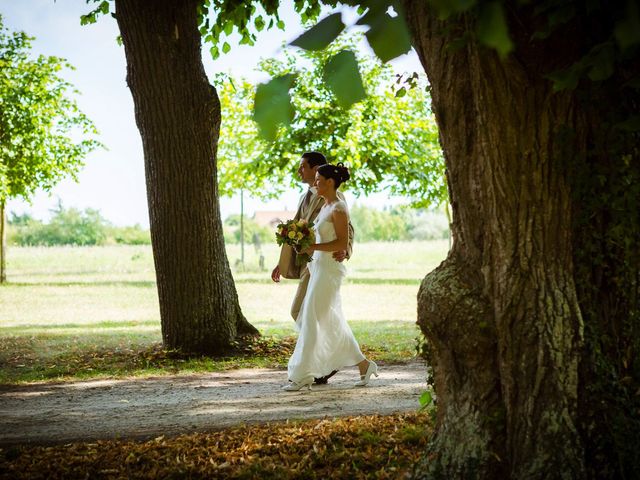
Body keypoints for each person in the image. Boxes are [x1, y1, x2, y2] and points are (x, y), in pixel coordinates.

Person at [281, 163, 378, 392]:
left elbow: (341, 243)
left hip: (329, 271)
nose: (315, 183)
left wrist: (311, 246)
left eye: (318, 179)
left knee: (312, 317)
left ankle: (302, 375)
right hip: (318, 268)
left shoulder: (338, 208)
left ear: (330, 182)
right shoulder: (325, 206)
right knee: (330, 320)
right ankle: (365, 365)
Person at [271, 152, 352, 384]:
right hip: (310, 262)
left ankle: (318, 366)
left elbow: (347, 230)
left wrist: (345, 250)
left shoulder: (335, 198)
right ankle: (329, 360)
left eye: (303, 167)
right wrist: (282, 261)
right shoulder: (304, 197)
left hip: (323, 263)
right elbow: (298, 227)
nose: (300, 171)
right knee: (315, 315)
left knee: (303, 312)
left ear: (317, 169)